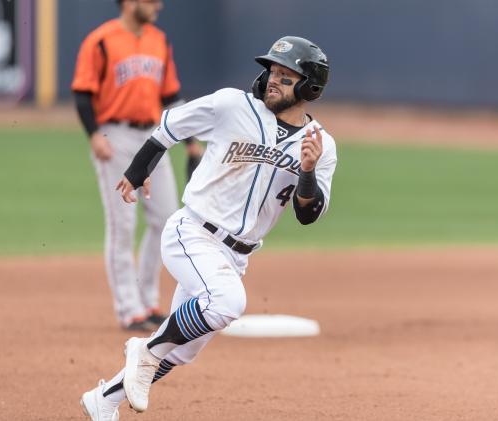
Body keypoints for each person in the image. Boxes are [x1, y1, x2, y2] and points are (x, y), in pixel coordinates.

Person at [79, 35, 336, 420]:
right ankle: (142, 351)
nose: (272, 81)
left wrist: (308, 172)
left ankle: (104, 401)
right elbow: (169, 126)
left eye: (286, 76)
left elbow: (308, 214)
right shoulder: (232, 105)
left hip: (236, 255)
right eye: (272, 72)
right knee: (228, 303)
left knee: (182, 349)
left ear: (309, 86)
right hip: (192, 232)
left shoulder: (321, 146)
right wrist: (137, 172)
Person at [71, 0, 202, 332]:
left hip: (154, 137)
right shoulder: (101, 40)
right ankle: (128, 309)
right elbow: (82, 93)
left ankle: (147, 300)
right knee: (123, 225)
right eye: (150, 0)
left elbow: (172, 95)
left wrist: (190, 140)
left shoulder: (160, 40)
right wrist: (94, 136)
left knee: (166, 219)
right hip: (114, 136)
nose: (158, 5)